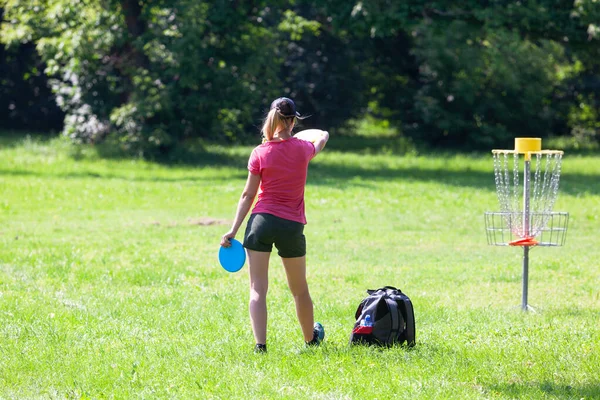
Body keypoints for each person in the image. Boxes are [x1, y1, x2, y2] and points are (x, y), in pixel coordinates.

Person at [220, 97, 329, 353]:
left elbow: (248, 195)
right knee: (299, 289)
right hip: (291, 225)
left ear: (272, 119)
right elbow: (322, 136)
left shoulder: (260, 152)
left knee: (258, 288)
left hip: (260, 223)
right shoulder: (303, 149)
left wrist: (233, 230)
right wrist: (304, 133)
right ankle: (310, 340)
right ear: (293, 121)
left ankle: (261, 346)